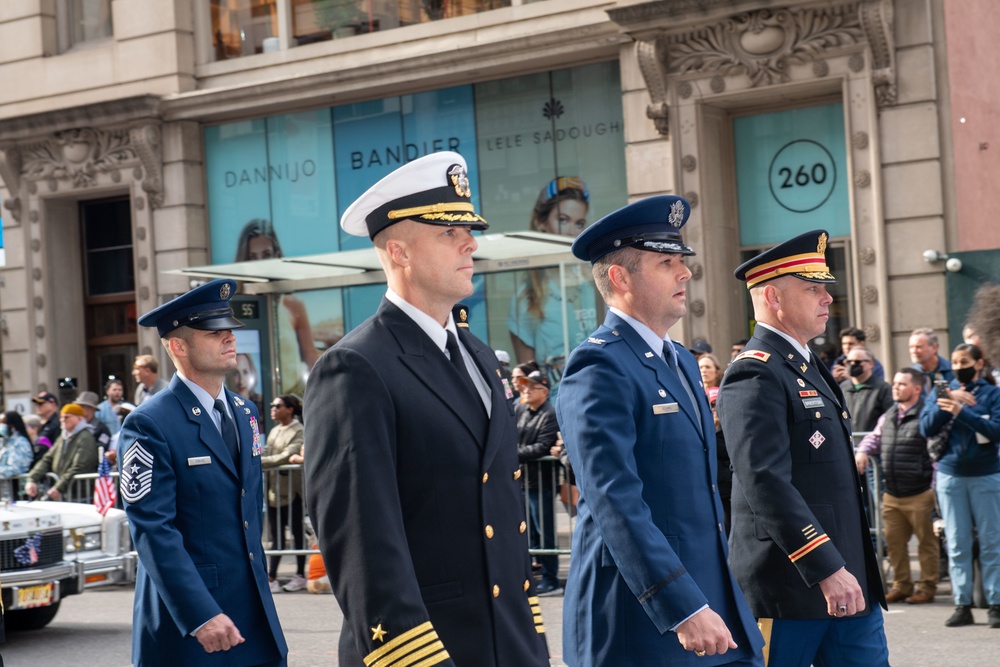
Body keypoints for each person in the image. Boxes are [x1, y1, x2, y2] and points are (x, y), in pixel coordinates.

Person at [304, 151, 549, 667]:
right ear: (400, 251)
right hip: (427, 651)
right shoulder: (354, 367)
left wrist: (531, 641)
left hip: (507, 645)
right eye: (447, 233)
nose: (471, 243)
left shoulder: (479, 356)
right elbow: (363, 543)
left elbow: (502, 516)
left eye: (468, 231)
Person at [557, 195, 764, 666]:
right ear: (620, 277)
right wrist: (681, 605)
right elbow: (615, 500)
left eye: (681, 260)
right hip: (647, 615)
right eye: (666, 262)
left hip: (710, 600)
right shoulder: (599, 364)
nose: (685, 272)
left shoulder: (683, 362)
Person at [717, 229, 888, 665]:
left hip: (847, 578)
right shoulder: (754, 373)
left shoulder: (807, 363)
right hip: (791, 586)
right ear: (773, 297)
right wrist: (826, 567)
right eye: (813, 288)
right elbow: (764, 482)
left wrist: (845, 568)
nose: (827, 298)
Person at [118, 278, 287, 665]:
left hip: (254, 615)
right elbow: (152, 528)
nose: (229, 338)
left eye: (229, 330)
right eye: (214, 332)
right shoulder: (149, 423)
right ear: (178, 346)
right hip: (194, 624)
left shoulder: (245, 412)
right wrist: (199, 614)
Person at [920, 343, 1000, 628]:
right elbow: (925, 427)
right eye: (954, 361)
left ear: (979, 363)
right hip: (951, 476)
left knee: (992, 542)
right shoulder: (942, 390)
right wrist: (950, 400)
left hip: (987, 475)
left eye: (964, 361)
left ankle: (995, 603)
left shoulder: (992, 394)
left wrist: (961, 411)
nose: (957, 366)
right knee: (956, 543)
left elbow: (996, 430)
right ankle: (962, 603)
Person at [855, 368, 938, 604]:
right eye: (895, 383)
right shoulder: (890, 413)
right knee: (895, 543)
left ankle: (927, 586)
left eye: (902, 384)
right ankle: (902, 585)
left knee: (926, 544)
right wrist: (862, 451)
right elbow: (874, 437)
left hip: (920, 492)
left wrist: (933, 488)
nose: (896, 387)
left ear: (917, 389)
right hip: (892, 492)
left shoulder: (927, 415)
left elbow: (935, 456)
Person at [509, 176, 598, 394]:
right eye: (563, 220)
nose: (571, 232)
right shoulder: (526, 298)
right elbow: (527, 382)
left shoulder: (595, 283)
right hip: (556, 412)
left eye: (579, 223)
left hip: (601, 400)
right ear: (542, 223)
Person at [515, 370, 562, 596]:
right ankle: (537, 577)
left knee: (545, 534)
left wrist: (512, 454)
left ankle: (551, 579)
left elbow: (543, 446)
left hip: (541, 483)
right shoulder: (521, 410)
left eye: (531, 387)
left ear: (544, 391)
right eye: (524, 386)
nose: (525, 390)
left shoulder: (550, 414)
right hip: (521, 482)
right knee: (529, 533)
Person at [262, 394, 306, 594]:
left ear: (289, 409)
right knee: (276, 535)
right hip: (273, 491)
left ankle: (300, 575)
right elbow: (267, 452)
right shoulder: (274, 430)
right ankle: (272, 577)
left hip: (293, 491)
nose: (272, 408)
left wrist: (261, 462)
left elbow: (288, 454)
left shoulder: (299, 430)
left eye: (277, 405)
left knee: (297, 533)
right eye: (272, 405)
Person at [24, 404, 99, 501]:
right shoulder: (62, 437)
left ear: (79, 419)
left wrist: (59, 487)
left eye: (67, 417)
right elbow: (47, 459)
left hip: (79, 494)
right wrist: (32, 479)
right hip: (66, 492)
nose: (63, 419)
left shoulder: (85, 437)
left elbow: (80, 466)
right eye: (61, 417)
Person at [909, 327, 954, 395]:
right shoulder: (911, 375)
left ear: (934, 348)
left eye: (918, 347)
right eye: (911, 347)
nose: (914, 351)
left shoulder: (953, 371)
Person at [0, 412, 34, 499]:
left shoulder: (21, 442)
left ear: (12, 426)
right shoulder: (4, 442)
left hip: (16, 493)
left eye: (3, 423)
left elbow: (16, 468)